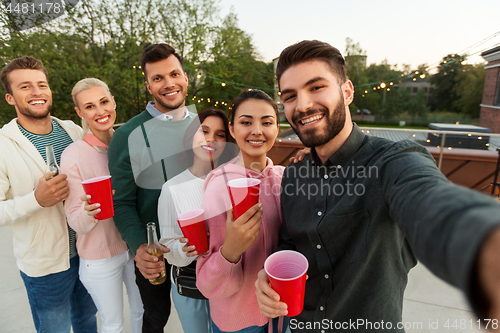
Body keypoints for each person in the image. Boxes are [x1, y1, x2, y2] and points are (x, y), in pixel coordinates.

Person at [255, 40, 500, 332]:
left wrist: (484, 245)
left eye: (317, 87)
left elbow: (430, 202)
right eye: (290, 95)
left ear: (346, 92)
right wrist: (269, 274)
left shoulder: (393, 161)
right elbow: (291, 242)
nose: (303, 105)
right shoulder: (294, 175)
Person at [0, 56, 97, 332]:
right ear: (10, 98)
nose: (37, 92)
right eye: (25, 87)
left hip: (87, 252)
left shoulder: (73, 131)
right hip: (45, 267)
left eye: (42, 84)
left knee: (88, 322)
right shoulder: (4, 145)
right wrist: (36, 200)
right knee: (53, 329)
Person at [108, 43, 197, 332]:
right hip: (154, 252)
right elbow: (121, 203)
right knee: (156, 317)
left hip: (201, 246)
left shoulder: (204, 126)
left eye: (174, 74)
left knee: (204, 316)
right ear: (148, 85)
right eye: (158, 78)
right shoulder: (127, 135)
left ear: (185, 77)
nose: (168, 84)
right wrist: (140, 248)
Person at [196, 89, 290, 333]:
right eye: (246, 122)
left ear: (277, 129)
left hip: (282, 314)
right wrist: (231, 251)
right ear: (232, 129)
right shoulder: (219, 186)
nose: (257, 130)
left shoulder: (284, 179)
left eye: (266, 122)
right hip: (239, 322)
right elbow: (206, 281)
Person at [60, 78, 144, 333]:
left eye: (104, 102)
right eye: (90, 106)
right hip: (99, 259)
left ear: (113, 102)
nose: (100, 112)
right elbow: (74, 220)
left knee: (143, 311)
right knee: (113, 324)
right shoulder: (73, 154)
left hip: (134, 248)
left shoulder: (129, 144)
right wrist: (89, 212)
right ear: (80, 113)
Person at [158, 108, 238, 333]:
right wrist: (187, 247)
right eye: (204, 131)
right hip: (192, 285)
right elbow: (168, 246)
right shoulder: (172, 188)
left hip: (230, 281)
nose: (211, 139)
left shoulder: (233, 179)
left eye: (220, 134)